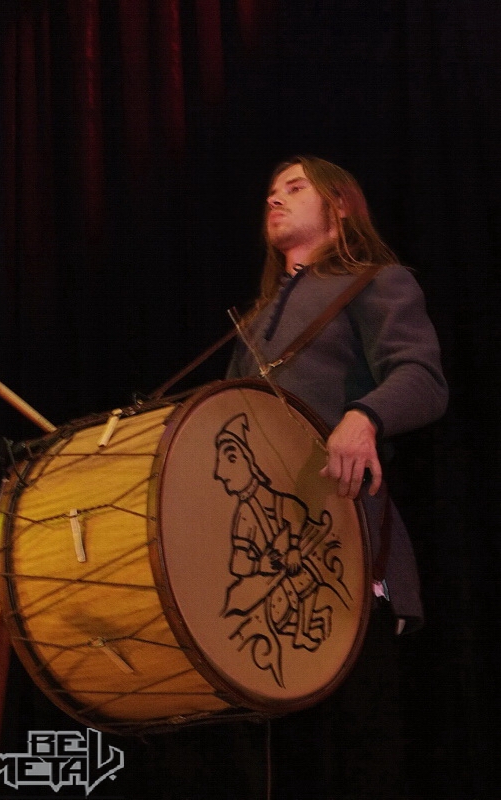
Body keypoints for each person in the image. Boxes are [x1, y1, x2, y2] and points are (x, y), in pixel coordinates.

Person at [225, 155, 449, 799]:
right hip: (264, 565)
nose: (275, 198)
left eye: (296, 188)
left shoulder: (376, 281)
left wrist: (364, 415)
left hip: (343, 546)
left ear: (341, 206)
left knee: (353, 756)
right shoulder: (254, 321)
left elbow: (424, 378)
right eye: (272, 191)